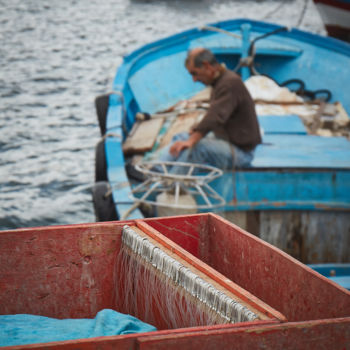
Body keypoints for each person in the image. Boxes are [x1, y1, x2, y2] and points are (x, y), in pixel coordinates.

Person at [155, 47, 262, 175]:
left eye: (194, 73)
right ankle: (157, 170)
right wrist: (192, 134)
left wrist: (193, 139)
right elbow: (214, 114)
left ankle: (168, 184)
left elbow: (216, 116)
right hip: (225, 139)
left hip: (241, 153)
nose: (194, 80)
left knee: (198, 148)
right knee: (182, 137)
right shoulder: (220, 81)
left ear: (206, 66)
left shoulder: (229, 83)